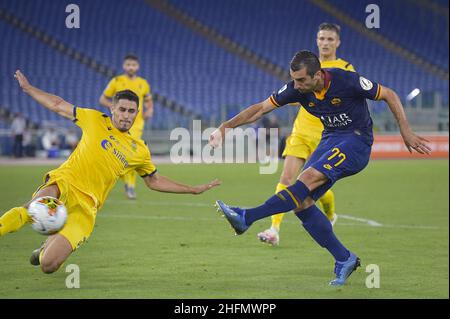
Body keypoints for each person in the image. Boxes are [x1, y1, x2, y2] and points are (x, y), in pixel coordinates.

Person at [210, 51, 430, 286]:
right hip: (330, 139)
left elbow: (389, 94)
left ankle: (247, 216)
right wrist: (226, 126)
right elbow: (261, 109)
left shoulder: (346, 80)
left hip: (357, 141)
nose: (297, 85)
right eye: (294, 79)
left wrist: (404, 129)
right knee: (301, 202)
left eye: (302, 80)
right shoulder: (297, 88)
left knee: (309, 178)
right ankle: (344, 259)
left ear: (318, 75)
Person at [0, 70, 220, 274]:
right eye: (122, 109)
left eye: (131, 111)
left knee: (48, 266)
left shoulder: (139, 150)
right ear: (112, 108)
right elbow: (58, 105)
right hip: (63, 182)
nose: (126, 115)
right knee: (31, 209)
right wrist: (29, 89)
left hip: (87, 207)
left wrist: (192, 189)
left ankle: (45, 249)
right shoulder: (94, 119)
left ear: (137, 113)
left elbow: (154, 181)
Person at [258, 23, 355, 246]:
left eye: (330, 39)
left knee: (315, 185)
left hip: (327, 135)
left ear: (338, 42)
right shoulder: (306, 66)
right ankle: (274, 229)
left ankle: (330, 215)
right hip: (301, 130)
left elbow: (353, 100)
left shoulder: (345, 68)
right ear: (316, 40)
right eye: (322, 38)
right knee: (286, 178)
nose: (325, 43)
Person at [100, 54, 154, 199]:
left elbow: (149, 100)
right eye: (128, 64)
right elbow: (103, 99)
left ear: (138, 66)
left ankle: (130, 186)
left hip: (136, 125)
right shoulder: (116, 81)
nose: (131, 67)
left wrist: (149, 110)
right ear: (124, 66)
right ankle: (123, 181)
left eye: (134, 65)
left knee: (130, 154)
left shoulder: (143, 83)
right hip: (118, 125)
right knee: (120, 156)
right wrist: (115, 108)